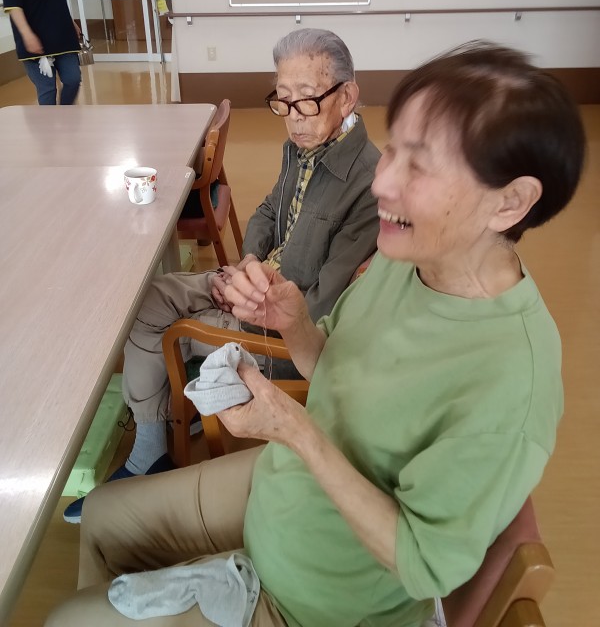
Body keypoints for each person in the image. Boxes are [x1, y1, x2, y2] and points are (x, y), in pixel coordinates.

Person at [48, 41, 586, 627]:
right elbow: (332, 359)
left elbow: (424, 567)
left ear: (510, 201)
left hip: (315, 598)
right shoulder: (407, 261)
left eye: (421, 165)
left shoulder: (511, 380)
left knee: (66, 619)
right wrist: (295, 321)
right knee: (101, 517)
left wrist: (296, 431)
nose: (382, 181)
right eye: (394, 149)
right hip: (282, 487)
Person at [62, 27, 381, 523]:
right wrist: (247, 263)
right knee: (146, 300)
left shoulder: (368, 184)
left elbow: (321, 308)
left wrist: (248, 299)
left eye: (307, 99)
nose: (293, 117)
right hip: (253, 285)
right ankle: (159, 434)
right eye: (283, 99)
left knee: (167, 331)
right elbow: (267, 211)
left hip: (282, 335)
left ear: (347, 96)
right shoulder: (303, 145)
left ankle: (151, 449)